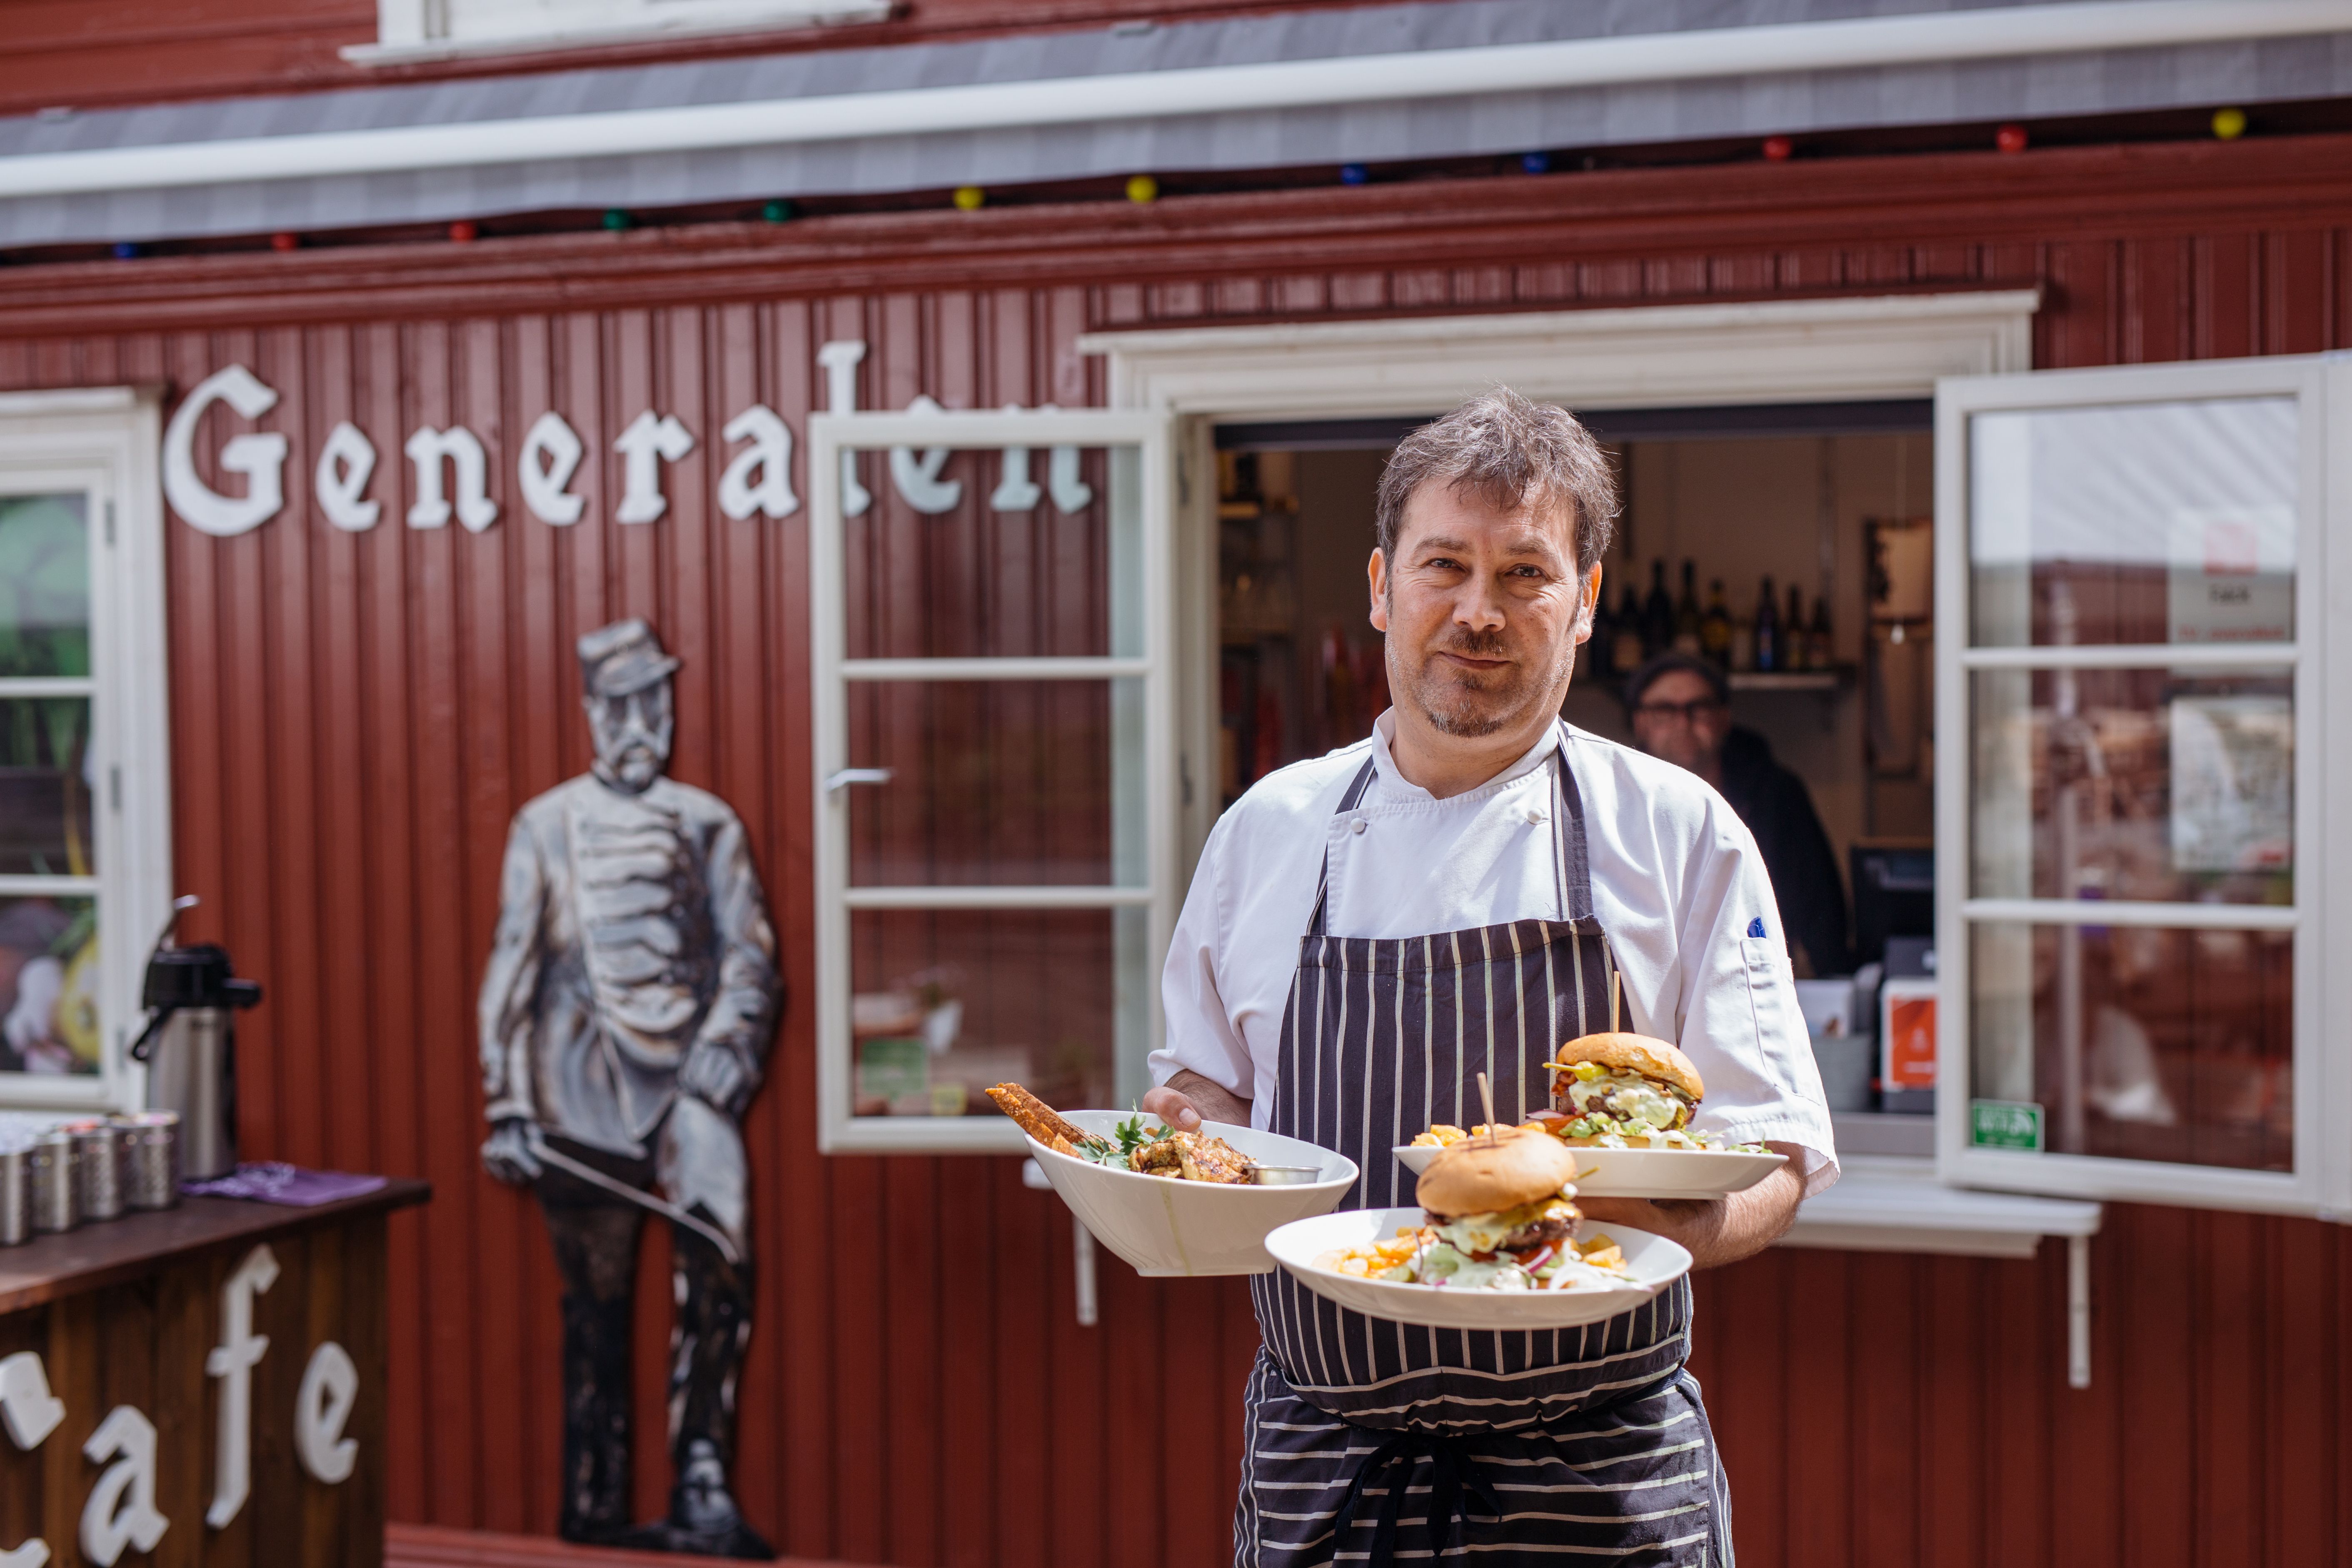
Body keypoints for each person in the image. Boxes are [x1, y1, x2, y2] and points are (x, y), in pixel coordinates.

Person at [1145, 390, 1835, 1567]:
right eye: (1442, 565)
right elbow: (1208, 1101)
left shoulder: (1676, 833)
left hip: (1603, 1482)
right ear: (1378, 585)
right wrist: (1185, 1144)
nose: (1478, 610)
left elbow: (1772, 1156)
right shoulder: (1267, 833)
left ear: (1584, 603)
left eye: (1524, 573)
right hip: (1327, 1470)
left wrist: (1656, 1217)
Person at [478, 618, 782, 1558]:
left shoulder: (707, 822)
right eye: (621, 703)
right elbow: (512, 969)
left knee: (722, 1249)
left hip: (689, 1087)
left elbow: (751, 954)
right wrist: (507, 1103)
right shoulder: (545, 824)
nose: (642, 718)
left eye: (655, 698)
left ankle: (701, 1475)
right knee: (596, 1303)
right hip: (579, 1089)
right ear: (590, 713)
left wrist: (729, 1041)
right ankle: (595, 1501)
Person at [1625, 651, 1850, 977]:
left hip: (1756, 975)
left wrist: (1832, 982)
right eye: (1665, 710)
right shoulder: (1618, 798)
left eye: (1698, 708)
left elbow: (1820, 899)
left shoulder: (1774, 792)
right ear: (1640, 722)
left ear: (1723, 717)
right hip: (1650, 980)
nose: (1683, 723)